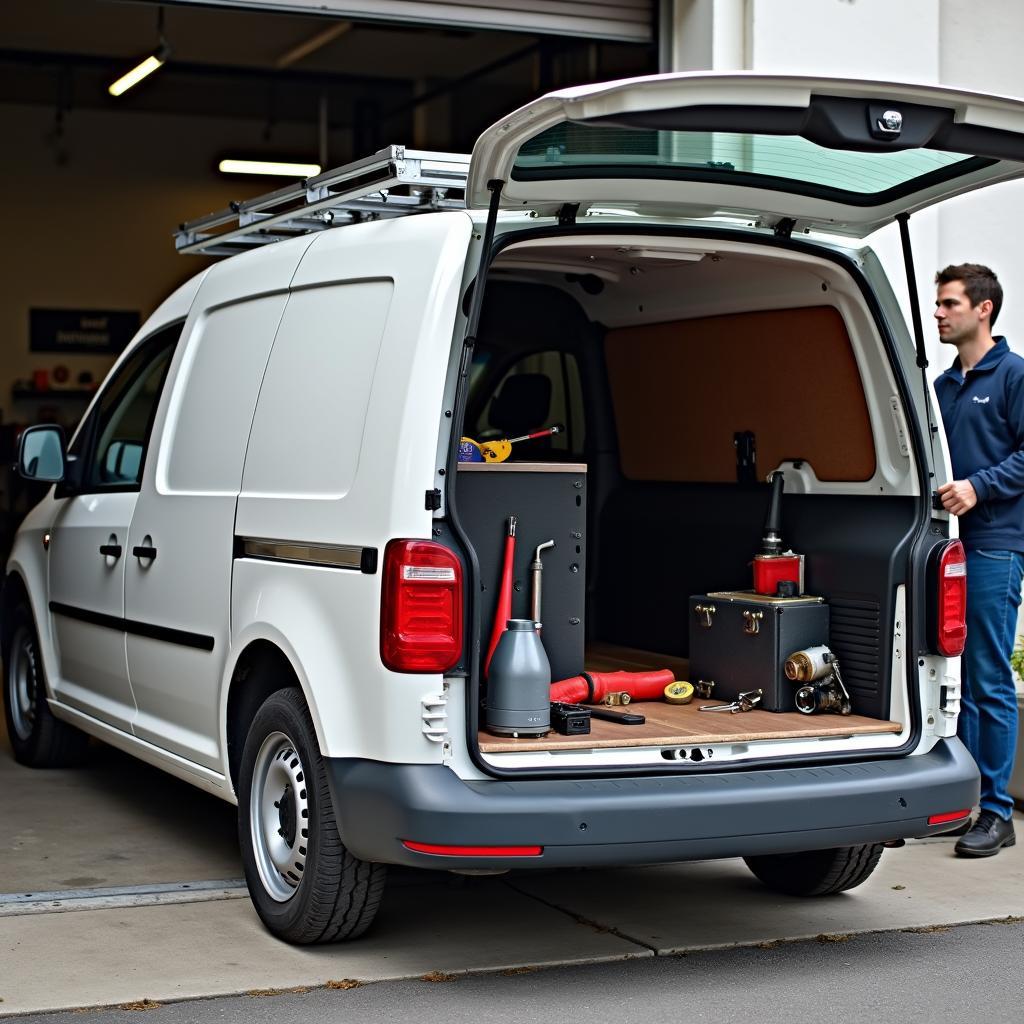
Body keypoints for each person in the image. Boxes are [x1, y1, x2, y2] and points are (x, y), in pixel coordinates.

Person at [934, 263, 1024, 857]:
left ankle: (996, 812)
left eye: (949, 304)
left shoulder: (1013, 375)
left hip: (995, 545)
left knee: (987, 676)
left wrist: (980, 487)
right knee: (947, 675)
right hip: (943, 547)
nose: (938, 313)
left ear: (982, 309)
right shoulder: (942, 386)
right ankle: (958, 802)